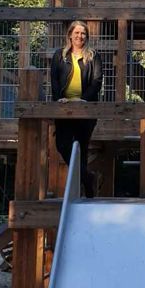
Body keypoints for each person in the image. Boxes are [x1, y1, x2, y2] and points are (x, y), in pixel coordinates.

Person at [50, 20, 103, 198]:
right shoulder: (59, 55)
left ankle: (87, 188)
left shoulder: (93, 56)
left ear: (86, 37)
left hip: (85, 107)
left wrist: (84, 99)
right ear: (70, 35)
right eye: (77, 33)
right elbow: (54, 80)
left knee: (82, 146)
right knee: (61, 144)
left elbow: (97, 81)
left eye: (83, 34)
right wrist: (59, 98)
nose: (80, 36)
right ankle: (88, 178)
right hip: (64, 107)